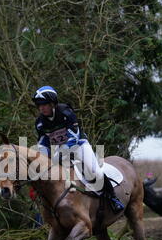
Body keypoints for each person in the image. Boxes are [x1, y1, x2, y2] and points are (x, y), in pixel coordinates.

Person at [32, 85, 124, 214]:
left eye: (44, 104)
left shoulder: (66, 113)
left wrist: (61, 153)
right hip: (58, 150)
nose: (41, 108)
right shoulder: (40, 123)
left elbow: (73, 136)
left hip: (79, 146)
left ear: (53, 103)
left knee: (94, 171)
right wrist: (42, 157)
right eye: (39, 105)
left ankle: (113, 199)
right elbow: (43, 142)